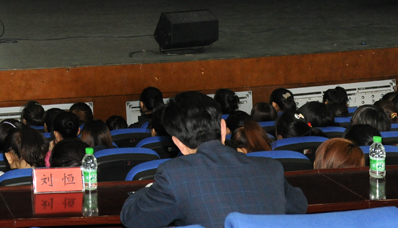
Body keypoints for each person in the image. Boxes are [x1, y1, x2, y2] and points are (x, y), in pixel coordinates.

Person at [119, 91, 307, 228]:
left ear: (178, 143)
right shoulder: (271, 169)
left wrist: (148, 189)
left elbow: (132, 219)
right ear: (223, 129)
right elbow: (300, 206)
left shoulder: (174, 176)